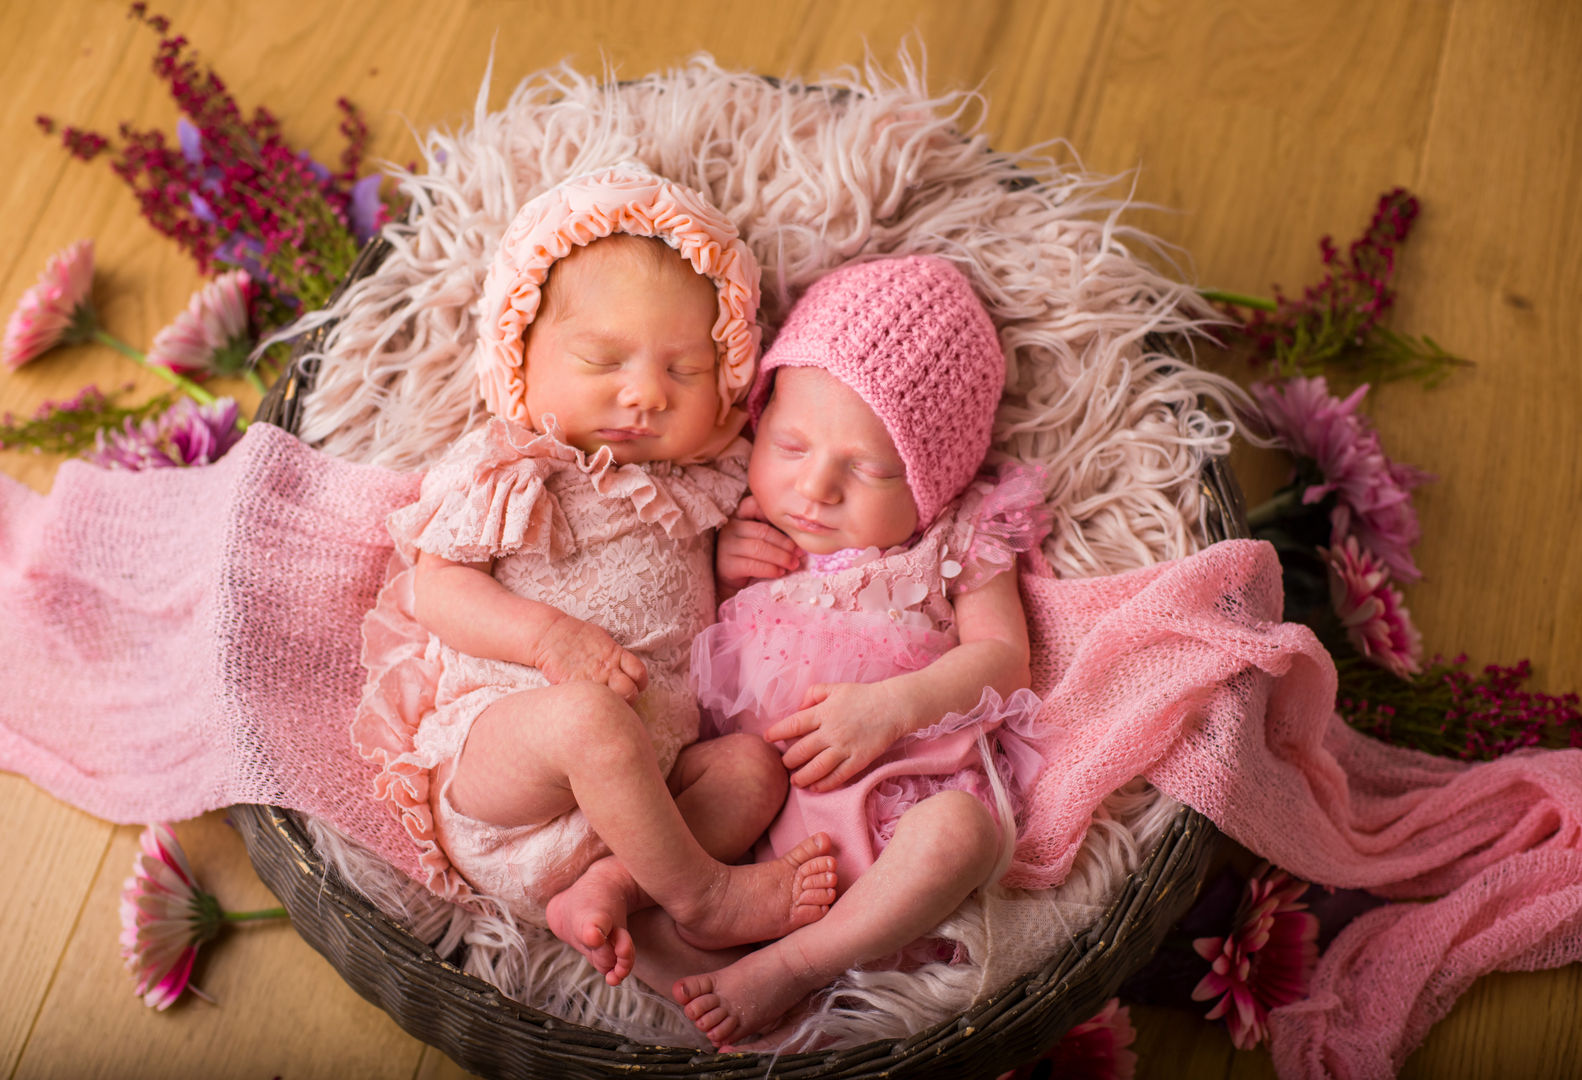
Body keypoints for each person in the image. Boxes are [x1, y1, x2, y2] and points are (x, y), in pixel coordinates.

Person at [351, 165, 837, 990]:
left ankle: (613, 892)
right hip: (505, 774)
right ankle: (706, 897)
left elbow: (686, 603)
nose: (645, 393)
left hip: (646, 807)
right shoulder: (512, 467)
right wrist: (550, 638)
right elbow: (436, 589)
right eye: (602, 358)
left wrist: (724, 566)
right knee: (585, 717)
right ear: (521, 361)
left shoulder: (707, 481)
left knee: (753, 770)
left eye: (684, 372)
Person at [669, 254, 1051, 1047]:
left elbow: (1005, 660)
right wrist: (717, 571)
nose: (814, 489)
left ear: (931, 485)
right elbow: (679, 652)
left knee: (964, 836)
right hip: (757, 821)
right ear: (759, 419)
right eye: (791, 444)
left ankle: (800, 964)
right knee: (696, 793)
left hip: (895, 804)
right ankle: (652, 901)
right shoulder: (740, 519)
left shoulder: (958, 540)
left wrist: (894, 707)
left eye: (869, 469)